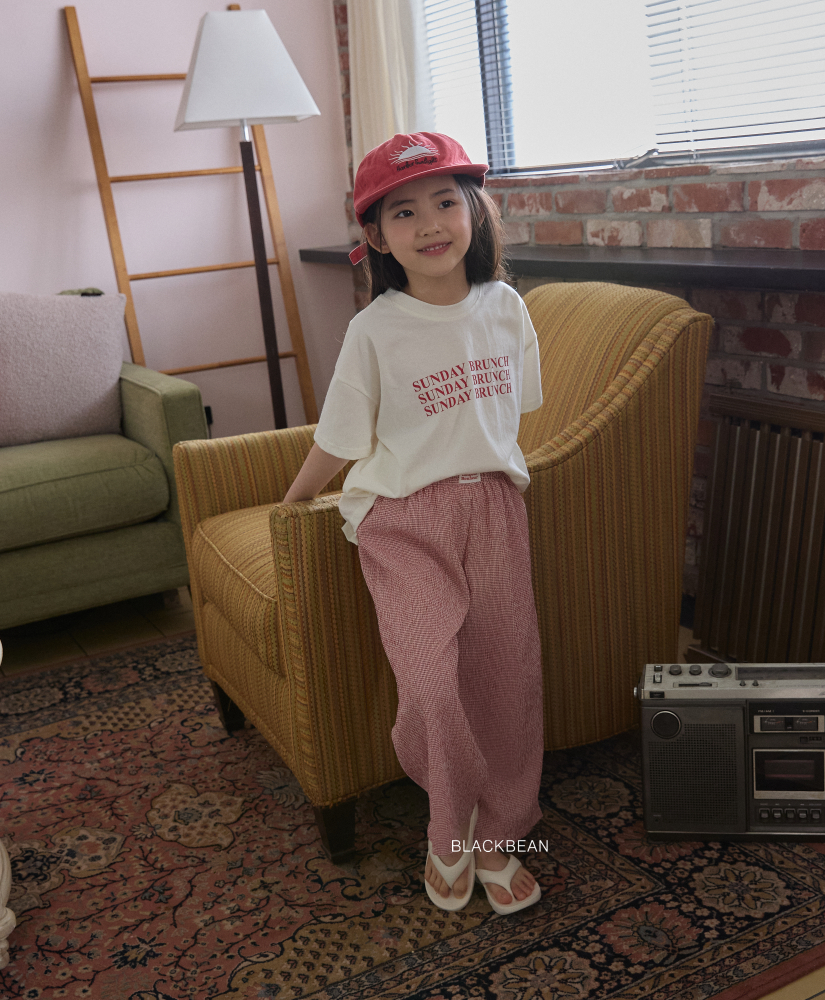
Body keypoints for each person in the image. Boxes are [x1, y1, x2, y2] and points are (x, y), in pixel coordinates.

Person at [282, 132, 544, 915]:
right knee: (431, 682)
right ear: (376, 235)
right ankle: (447, 826)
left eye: (444, 201)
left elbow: (515, 413)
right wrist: (292, 502)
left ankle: (501, 833)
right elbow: (340, 437)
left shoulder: (507, 309)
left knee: (507, 681)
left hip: (494, 512)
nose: (430, 223)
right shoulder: (375, 330)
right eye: (404, 212)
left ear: (474, 211)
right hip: (403, 520)